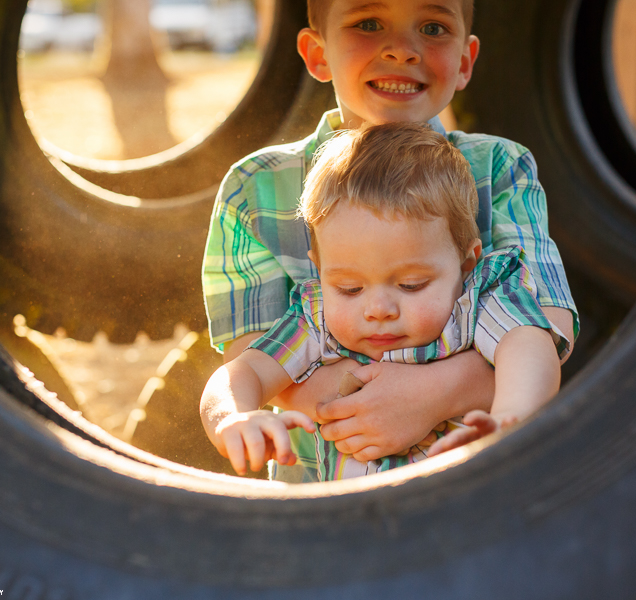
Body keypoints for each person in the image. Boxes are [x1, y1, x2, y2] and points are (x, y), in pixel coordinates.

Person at [201, 0, 579, 482]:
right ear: (318, 54)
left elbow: (543, 327)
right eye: (369, 23)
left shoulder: (498, 170)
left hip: (464, 493)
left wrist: (446, 398)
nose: (401, 50)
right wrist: (235, 415)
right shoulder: (255, 188)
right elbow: (249, 363)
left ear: (464, 60)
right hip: (320, 503)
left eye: (433, 27)